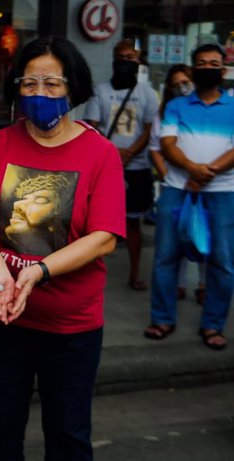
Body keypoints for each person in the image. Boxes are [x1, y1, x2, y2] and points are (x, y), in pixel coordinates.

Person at [0, 36, 126, 460]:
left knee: (68, 435)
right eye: (29, 83)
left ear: (74, 87)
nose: (40, 94)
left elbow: (104, 236)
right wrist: (0, 273)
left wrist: (38, 271)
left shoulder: (101, 154)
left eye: (52, 84)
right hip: (2, 315)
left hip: (71, 325)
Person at [146, 44, 234, 350]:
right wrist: (192, 170)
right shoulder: (176, 106)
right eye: (201, 63)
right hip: (176, 189)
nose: (207, 67)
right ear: (193, 69)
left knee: (223, 262)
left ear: (223, 71)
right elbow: (167, 145)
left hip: (223, 192)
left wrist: (204, 173)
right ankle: (162, 318)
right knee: (165, 257)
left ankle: (212, 325)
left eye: (213, 63)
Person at [84, 38, 158, 291]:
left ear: (138, 62)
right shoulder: (100, 90)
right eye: (122, 57)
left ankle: (135, 272)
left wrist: (129, 152)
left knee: (134, 223)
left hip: (137, 166)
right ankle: (92, 274)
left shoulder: (147, 93)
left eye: (131, 58)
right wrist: (114, 153)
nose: (126, 62)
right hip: (105, 166)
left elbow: (149, 129)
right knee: (96, 224)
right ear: (114, 60)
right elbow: (92, 126)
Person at [145, 64, 206, 307]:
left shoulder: (206, 109)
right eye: (177, 84)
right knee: (173, 242)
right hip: (176, 185)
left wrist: (201, 175)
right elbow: (157, 149)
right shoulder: (166, 111)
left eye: (186, 81)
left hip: (206, 184)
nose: (183, 87)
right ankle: (178, 285)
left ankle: (204, 285)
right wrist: (168, 175)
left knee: (204, 237)